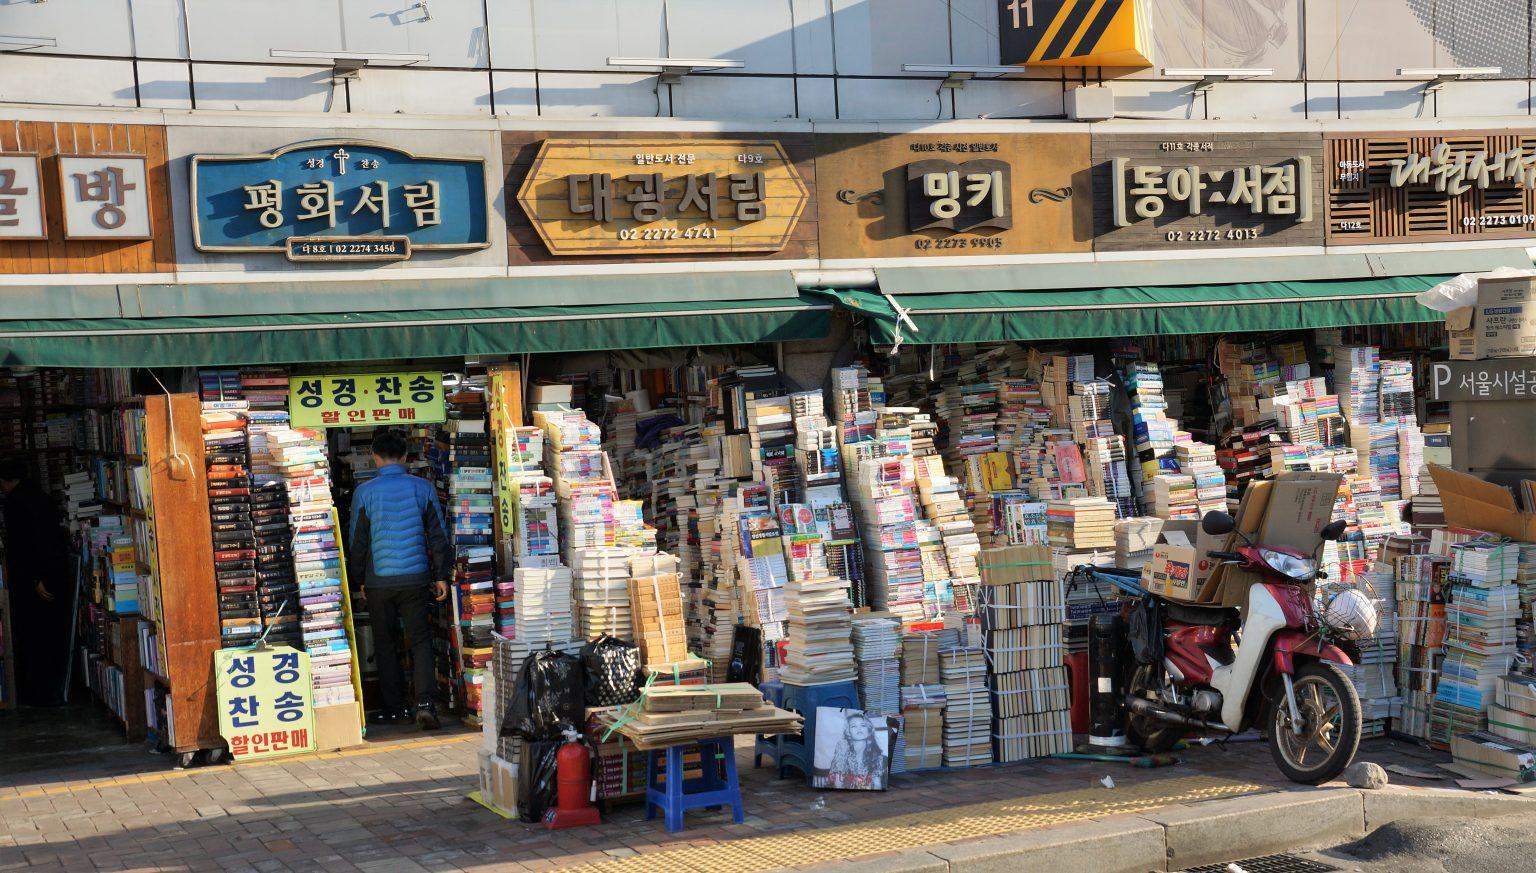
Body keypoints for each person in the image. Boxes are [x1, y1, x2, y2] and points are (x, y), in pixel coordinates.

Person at [347, 430, 451, 730]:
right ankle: (426, 704)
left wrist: (358, 580)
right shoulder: (424, 488)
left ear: (375, 457)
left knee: (385, 642)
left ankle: (395, 708)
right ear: (405, 456)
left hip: (378, 580)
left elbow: (357, 541)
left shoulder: (364, 492)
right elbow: (438, 535)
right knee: (420, 641)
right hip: (416, 577)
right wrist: (441, 575)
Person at [0, 459, 71, 707]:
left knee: (33, 635)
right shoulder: (40, 496)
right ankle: (52, 688)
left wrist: (33, 579)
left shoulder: (15, 503)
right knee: (51, 632)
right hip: (53, 572)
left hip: (34, 579)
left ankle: (38, 691)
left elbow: (22, 546)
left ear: (7, 480)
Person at [826, 712, 888, 790]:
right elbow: (838, 784)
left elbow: (877, 785)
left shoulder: (878, 757)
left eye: (863, 725)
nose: (859, 728)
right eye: (854, 726)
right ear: (848, 731)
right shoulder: (842, 750)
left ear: (869, 730)